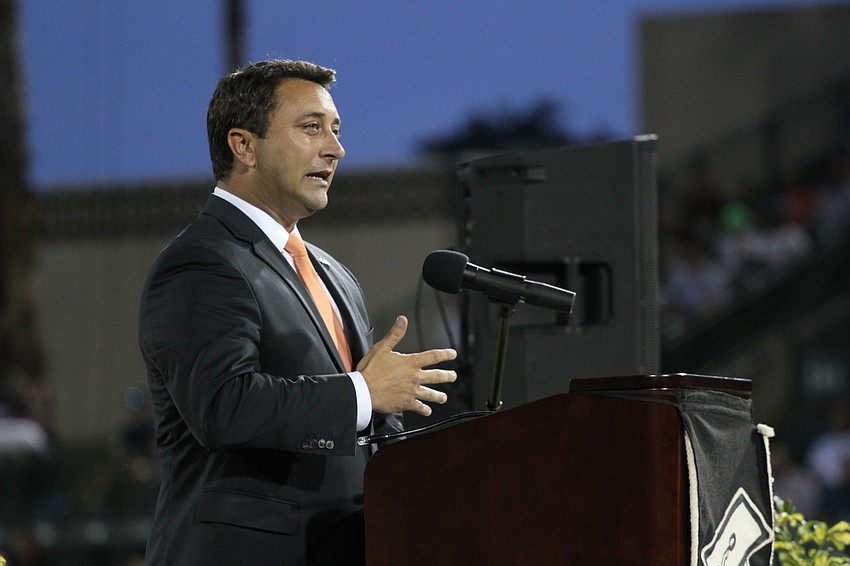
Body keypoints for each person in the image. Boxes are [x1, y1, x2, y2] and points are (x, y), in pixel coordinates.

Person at [138, 59, 458, 566]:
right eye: (311, 128)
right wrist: (362, 391)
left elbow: (364, 426)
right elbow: (224, 406)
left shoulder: (333, 273)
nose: (335, 148)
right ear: (243, 146)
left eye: (336, 130)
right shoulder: (200, 262)